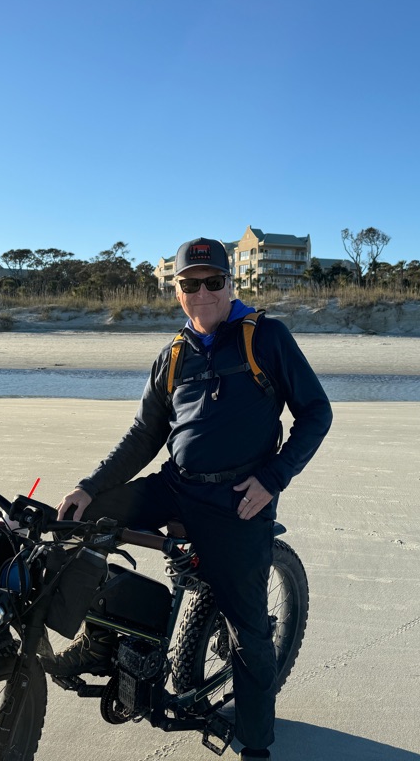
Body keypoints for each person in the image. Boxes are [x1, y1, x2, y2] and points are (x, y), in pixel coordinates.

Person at [43, 237, 332, 761]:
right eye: (190, 284)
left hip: (238, 500)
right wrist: (89, 487)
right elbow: (143, 436)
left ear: (230, 284)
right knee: (80, 524)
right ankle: (99, 641)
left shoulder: (265, 337)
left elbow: (316, 412)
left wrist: (273, 478)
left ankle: (256, 746)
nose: (202, 293)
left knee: (248, 630)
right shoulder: (174, 355)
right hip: (176, 485)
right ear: (176, 291)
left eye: (212, 281)